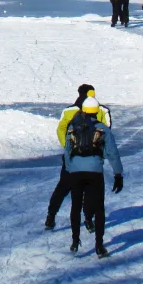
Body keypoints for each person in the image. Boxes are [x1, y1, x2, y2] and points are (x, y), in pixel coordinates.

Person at [64, 92, 124, 258]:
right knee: (98, 208)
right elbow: (112, 153)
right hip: (95, 172)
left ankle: (75, 241)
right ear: (97, 111)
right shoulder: (102, 129)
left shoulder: (72, 127)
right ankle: (99, 245)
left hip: (76, 171)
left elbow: (67, 151)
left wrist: (70, 170)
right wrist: (118, 174)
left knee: (75, 206)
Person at [46, 84, 112, 231]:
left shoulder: (69, 111)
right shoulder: (101, 110)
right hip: (93, 158)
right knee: (90, 188)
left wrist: (68, 147)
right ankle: (88, 219)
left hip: (72, 157)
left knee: (64, 186)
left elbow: (60, 129)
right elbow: (106, 129)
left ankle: (51, 216)